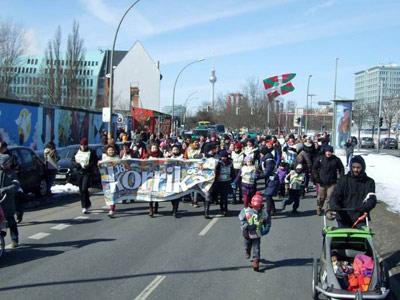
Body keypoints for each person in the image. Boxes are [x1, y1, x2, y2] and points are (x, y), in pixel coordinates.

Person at [331, 155, 377, 228]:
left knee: (360, 238)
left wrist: (365, 207)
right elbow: (335, 195)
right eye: (353, 167)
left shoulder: (369, 182)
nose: (356, 170)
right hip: (343, 215)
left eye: (358, 167)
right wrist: (335, 205)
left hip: (360, 216)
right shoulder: (343, 180)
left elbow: (372, 199)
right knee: (343, 238)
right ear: (351, 167)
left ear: (363, 167)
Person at [238, 192, 271, 271]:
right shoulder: (246, 211)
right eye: (255, 206)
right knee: (247, 244)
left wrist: (266, 228)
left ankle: (256, 261)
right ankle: (247, 251)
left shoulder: (263, 212)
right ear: (252, 204)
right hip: (247, 232)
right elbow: (241, 219)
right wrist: (245, 224)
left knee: (256, 248)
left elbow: (267, 221)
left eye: (258, 206)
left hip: (257, 232)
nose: (256, 208)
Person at [312, 145, 344, 216]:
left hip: (332, 183)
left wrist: (341, 178)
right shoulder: (320, 159)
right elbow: (314, 169)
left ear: (332, 152)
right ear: (325, 152)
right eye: (327, 151)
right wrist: (317, 178)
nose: (328, 153)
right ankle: (319, 208)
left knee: (330, 198)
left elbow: (341, 169)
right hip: (321, 182)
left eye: (330, 152)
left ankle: (328, 211)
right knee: (321, 198)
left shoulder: (336, 160)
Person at [72, 138, 98, 214]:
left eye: (85, 145)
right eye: (82, 145)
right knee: (82, 190)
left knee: (84, 188)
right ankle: (87, 204)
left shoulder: (91, 152)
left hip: (87, 173)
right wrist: (78, 165)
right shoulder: (77, 152)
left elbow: (95, 161)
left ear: (87, 145)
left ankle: (84, 206)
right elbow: (72, 161)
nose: (83, 146)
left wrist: (88, 166)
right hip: (79, 173)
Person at [0, 154, 20, 248]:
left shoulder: (12, 173)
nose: (8, 164)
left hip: (7, 201)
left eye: (8, 163)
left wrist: (5, 189)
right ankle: (1, 238)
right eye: (6, 163)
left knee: (11, 221)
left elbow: (16, 186)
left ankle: (14, 239)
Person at [99, 145, 120, 218]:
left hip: (115, 179)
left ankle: (112, 210)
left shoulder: (117, 159)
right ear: (106, 151)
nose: (111, 151)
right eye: (109, 150)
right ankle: (110, 206)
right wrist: (99, 164)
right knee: (108, 194)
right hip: (106, 179)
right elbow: (100, 167)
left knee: (113, 193)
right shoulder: (104, 159)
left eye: (112, 150)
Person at [214, 150, 234, 216]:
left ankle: (225, 209)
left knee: (225, 197)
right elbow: (216, 172)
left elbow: (232, 172)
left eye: (224, 157)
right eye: (222, 157)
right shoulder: (218, 164)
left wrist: (233, 180)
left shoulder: (230, 163)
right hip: (220, 182)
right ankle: (221, 209)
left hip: (227, 181)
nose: (223, 158)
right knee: (221, 197)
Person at [147, 143, 163, 217]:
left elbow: (164, 164)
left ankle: (156, 204)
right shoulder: (148, 156)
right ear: (151, 149)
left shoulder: (160, 156)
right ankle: (151, 209)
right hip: (150, 176)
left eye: (155, 148)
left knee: (157, 191)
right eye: (153, 148)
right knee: (150, 192)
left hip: (158, 176)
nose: (154, 149)